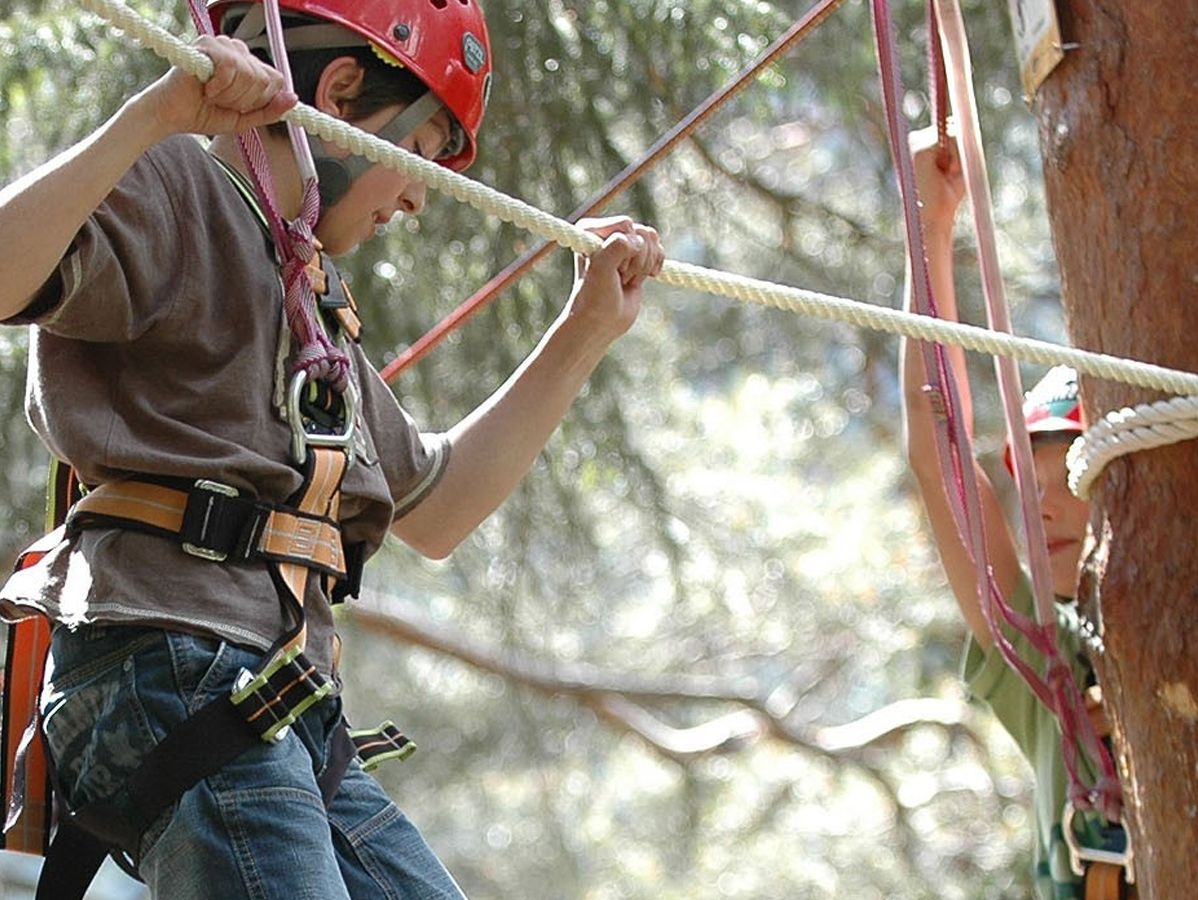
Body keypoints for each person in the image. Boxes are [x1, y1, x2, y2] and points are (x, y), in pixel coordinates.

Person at [0, 1, 663, 898]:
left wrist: (583, 331)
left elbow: (441, 505)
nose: (420, 194)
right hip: (175, 661)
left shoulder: (313, 300)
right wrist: (155, 117)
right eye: (420, 150)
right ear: (344, 95)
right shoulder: (177, 187)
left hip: (274, 694)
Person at [899, 127, 1127, 899]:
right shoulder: (1049, 663)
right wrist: (929, 224)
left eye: (1074, 473)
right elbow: (940, 447)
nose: (1050, 505)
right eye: (1029, 483)